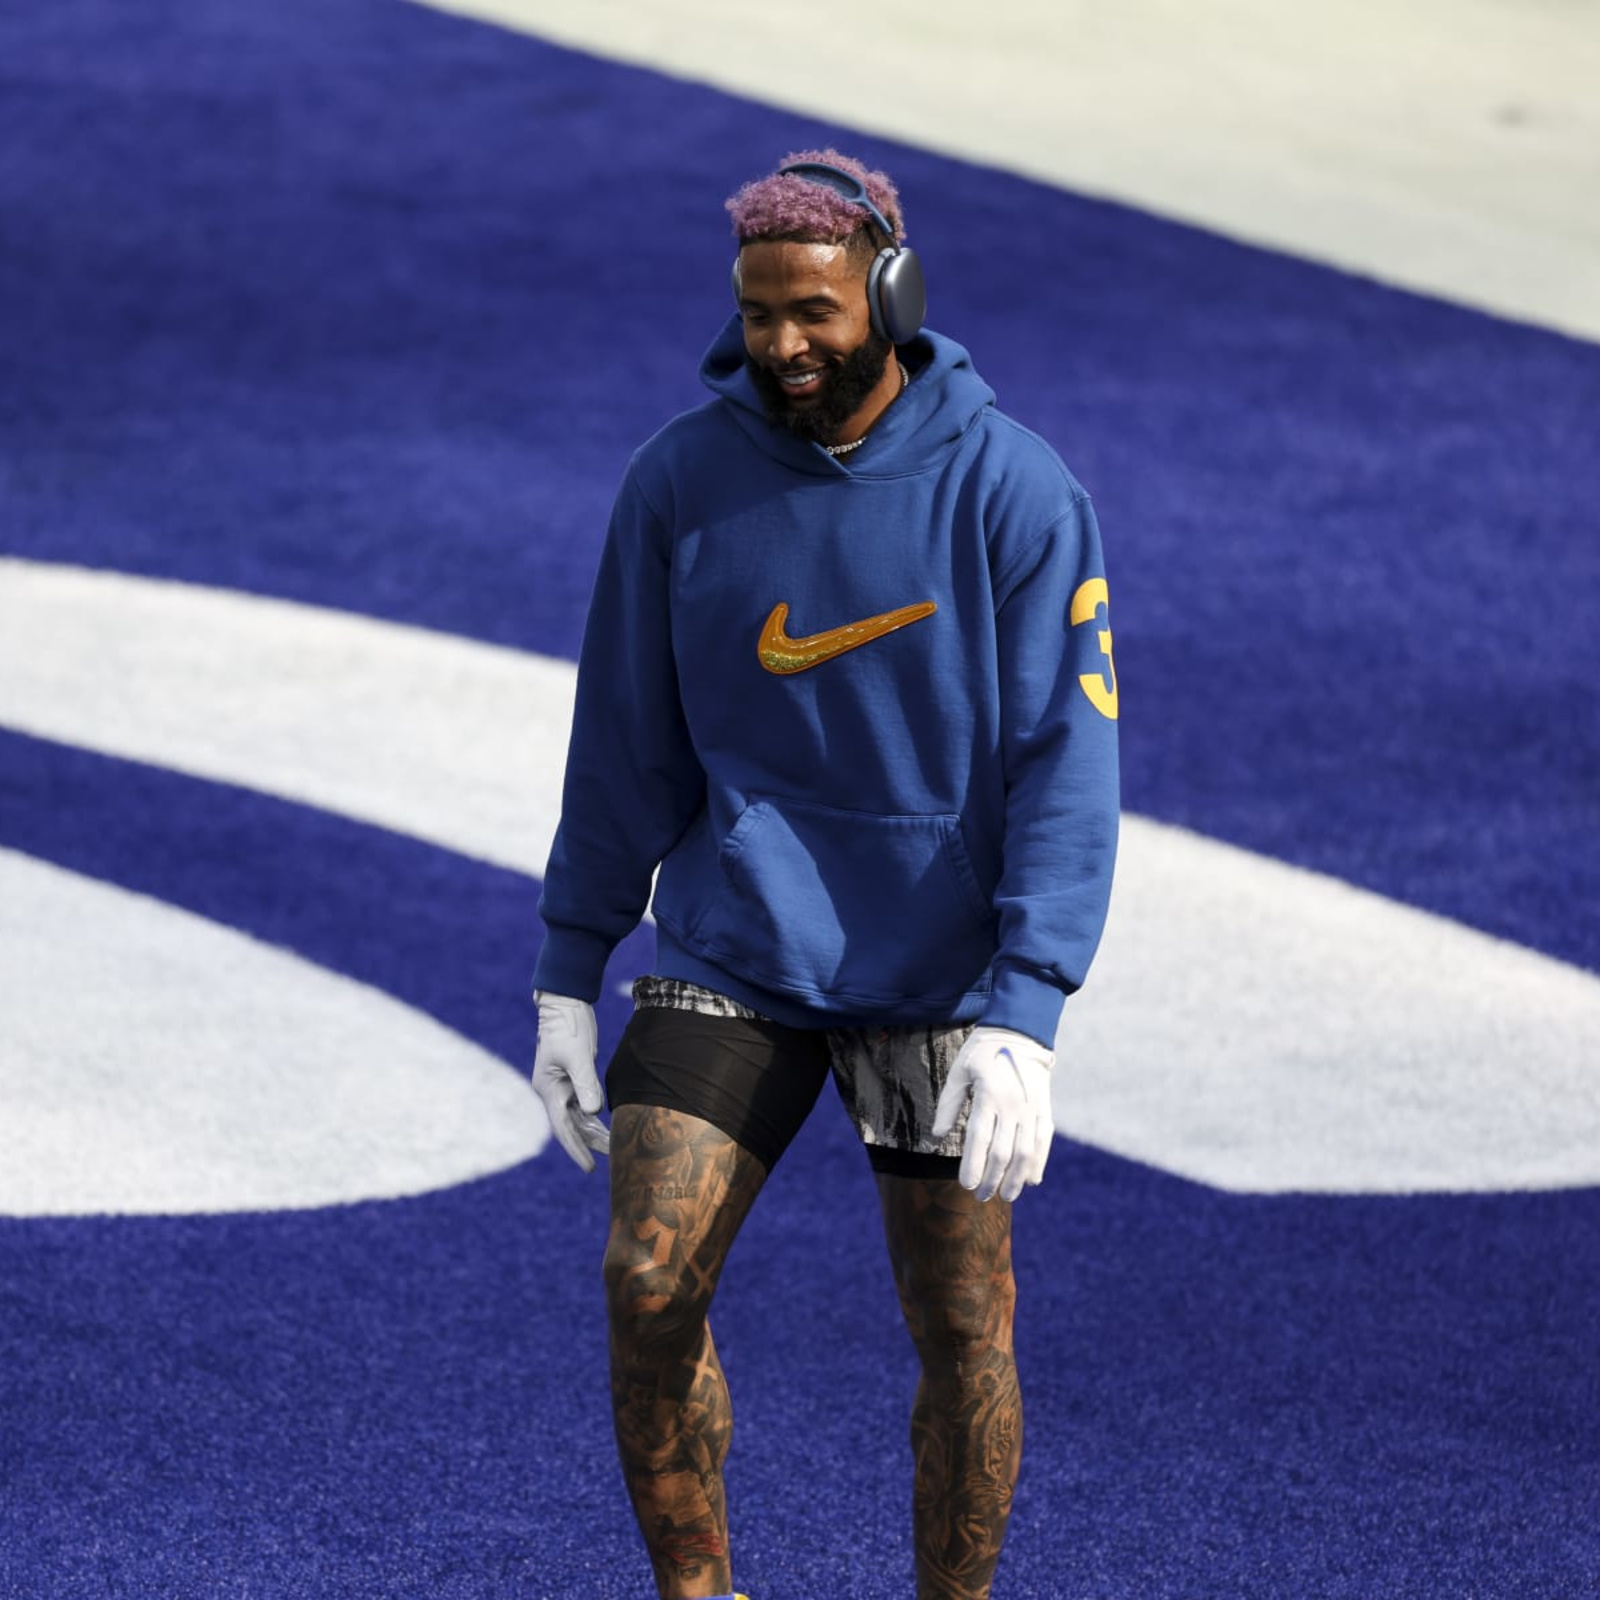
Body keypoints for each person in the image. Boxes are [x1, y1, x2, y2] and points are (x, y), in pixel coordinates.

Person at [531, 148, 1119, 1600]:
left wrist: (1025, 1006)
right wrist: (567, 965)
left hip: (941, 979)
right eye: (759, 314)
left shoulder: (1014, 492)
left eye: (814, 312)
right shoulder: (680, 483)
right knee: (646, 1279)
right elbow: (624, 742)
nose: (782, 346)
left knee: (963, 1321)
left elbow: (1066, 761)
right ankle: (700, 1594)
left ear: (894, 295)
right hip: (739, 944)